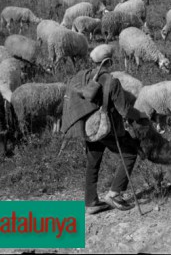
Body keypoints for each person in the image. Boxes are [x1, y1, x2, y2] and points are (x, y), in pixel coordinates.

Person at [61, 64, 152, 215]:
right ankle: (114, 194)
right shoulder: (112, 81)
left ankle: (90, 202)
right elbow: (125, 111)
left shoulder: (82, 77)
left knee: (93, 162)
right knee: (130, 153)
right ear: (107, 64)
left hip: (88, 126)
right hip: (106, 127)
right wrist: (140, 114)